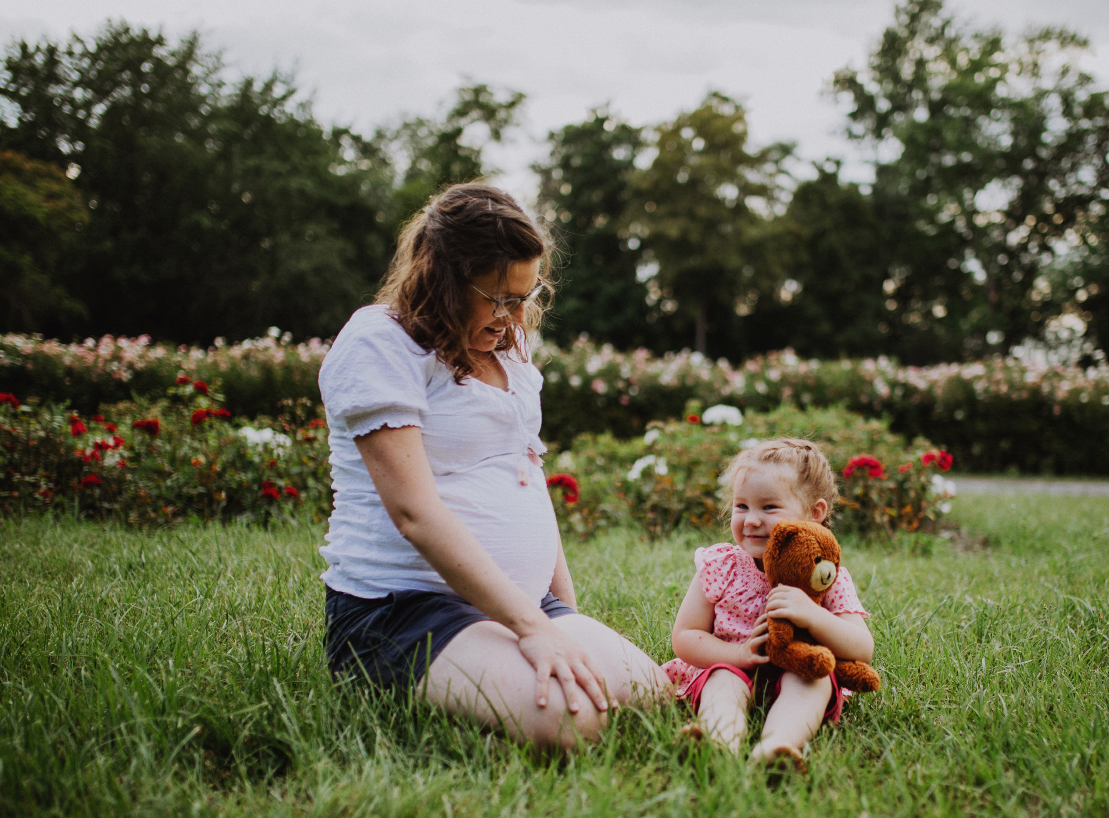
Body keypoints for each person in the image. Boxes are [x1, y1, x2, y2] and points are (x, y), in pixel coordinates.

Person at [318, 182, 668, 749]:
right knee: (573, 721)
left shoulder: (507, 352)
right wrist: (534, 630)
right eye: (499, 298)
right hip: (402, 608)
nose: (513, 318)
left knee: (649, 692)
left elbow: (524, 473)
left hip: (520, 600)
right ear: (442, 278)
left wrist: (565, 620)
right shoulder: (380, 343)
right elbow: (415, 513)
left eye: (526, 297)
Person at [662, 438, 875, 768]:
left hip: (798, 668)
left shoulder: (825, 574)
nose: (751, 520)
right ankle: (718, 743)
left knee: (813, 679)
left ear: (815, 513)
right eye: (741, 506)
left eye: (769, 507)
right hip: (732, 667)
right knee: (723, 681)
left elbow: (861, 647)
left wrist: (812, 615)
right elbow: (686, 636)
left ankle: (777, 746)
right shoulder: (722, 564)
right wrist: (738, 654)